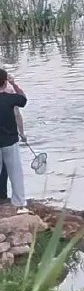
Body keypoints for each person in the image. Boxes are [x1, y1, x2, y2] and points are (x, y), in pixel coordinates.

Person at [0, 70, 28, 213]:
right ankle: (20, 204)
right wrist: (14, 84)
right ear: (5, 82)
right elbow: (23, 99)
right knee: (15, 172)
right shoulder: (9, 98)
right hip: (10, 141)